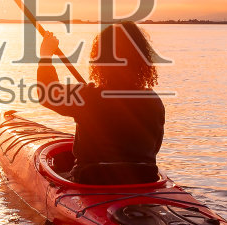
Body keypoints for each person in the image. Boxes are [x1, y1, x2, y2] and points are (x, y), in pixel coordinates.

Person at [36, 20, 165, 185]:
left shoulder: (88, 97)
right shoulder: (154, 102)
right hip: (144, 179)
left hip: (92, 180)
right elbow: (154, 148)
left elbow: (47, 93)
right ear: (142, 59)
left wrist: (46, 55)